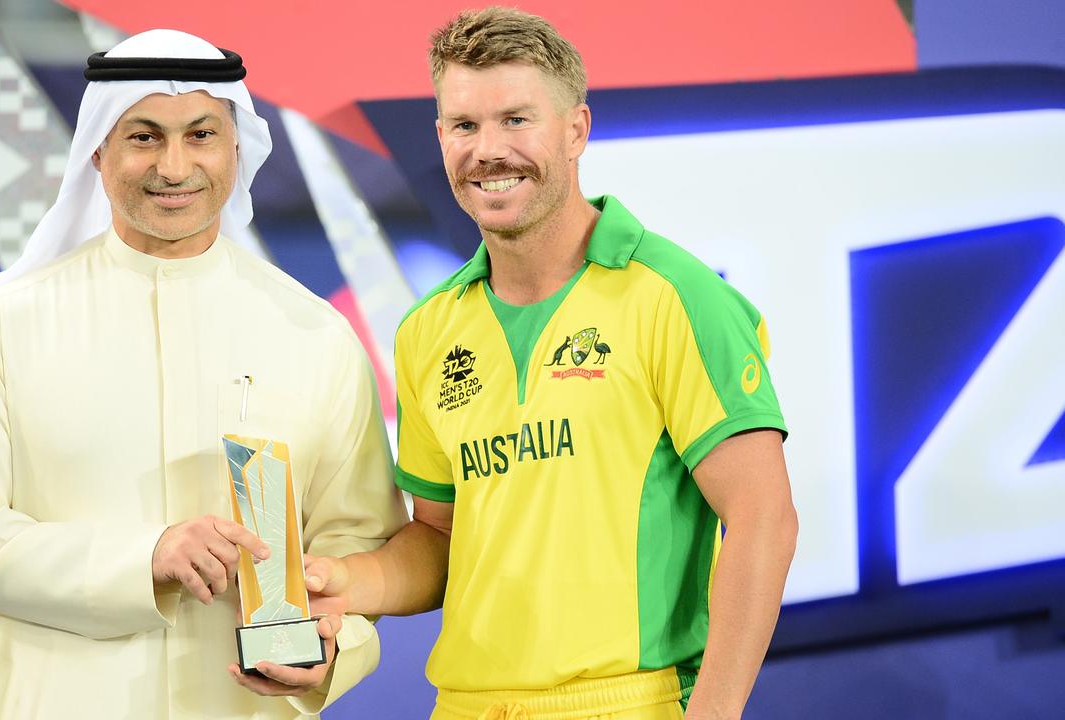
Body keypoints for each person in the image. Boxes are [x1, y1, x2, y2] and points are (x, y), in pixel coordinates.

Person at [0, 29, 408, 719]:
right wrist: (146, 560)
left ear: (236, 149)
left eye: (200, 135)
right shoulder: (4, 325)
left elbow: (358, 550)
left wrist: (328, 654)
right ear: (99, 153)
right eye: (143, 137)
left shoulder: (314, 335)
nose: (174, 165)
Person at [302, 8, 798, 719]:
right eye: (465, 126)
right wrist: (347, 582)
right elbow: (442, 539)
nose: (488, 150)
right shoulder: (427, 331)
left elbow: (764, 519)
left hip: (631, 701)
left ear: (576, 130)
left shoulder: (676, 297)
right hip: (466, 704)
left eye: (516, 120)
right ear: (440, 137)